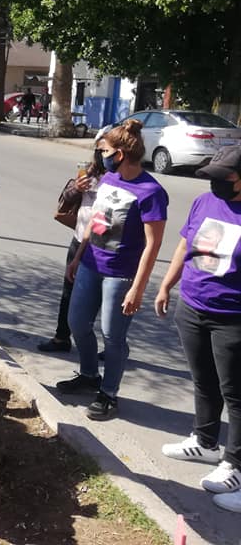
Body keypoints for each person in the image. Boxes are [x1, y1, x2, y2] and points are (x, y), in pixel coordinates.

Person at [59, 119, 167, 421]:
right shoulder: (109, 178)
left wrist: (138, 288)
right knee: (77, 323)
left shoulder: (151, 191)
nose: (100, 156)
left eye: (104, 150)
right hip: (90, 264)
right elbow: (96, 220)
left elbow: (153, 245)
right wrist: (78, 256)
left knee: (112, 335)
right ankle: (89, 375)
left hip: (121, 275)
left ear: (120, 153)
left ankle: (108, 393)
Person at [155, 145, 241, 512]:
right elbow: (185, 245)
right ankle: (206, 443)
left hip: (233, 316)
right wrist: (166, 284)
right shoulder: (204, 203)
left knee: (236, 393)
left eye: (224, 179)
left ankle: (235, 465)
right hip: (193, 305)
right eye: (213, 177)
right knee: (204, 380)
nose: (216, 184)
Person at [38, 139, 107, 352]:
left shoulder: (123, 180)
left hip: (106, 246)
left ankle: (111, 346)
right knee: (69, 290)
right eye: (101, 150)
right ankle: (61, 337)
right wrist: (77, 188)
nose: (105, 155)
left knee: (107, 298)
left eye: (108, 150)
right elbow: (65, 200)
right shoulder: (89, 173)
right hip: (80, 240)